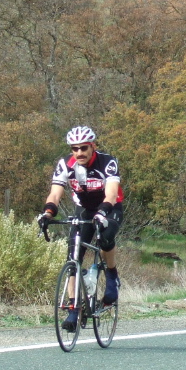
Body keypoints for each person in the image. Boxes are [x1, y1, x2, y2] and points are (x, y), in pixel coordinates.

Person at [37, 125, 123, 332]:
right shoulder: (66, 164)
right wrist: (48, 213)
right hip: (84, 208)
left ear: (93, 146)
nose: (79, 153)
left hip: (109, 207)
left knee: (105, 239)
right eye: (74, 149)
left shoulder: (107, 162)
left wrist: (102, 212)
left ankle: (112, 275)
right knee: (73, 256)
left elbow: (111, 193)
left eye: (83, 148)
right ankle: (73, 310)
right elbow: (55, 193)